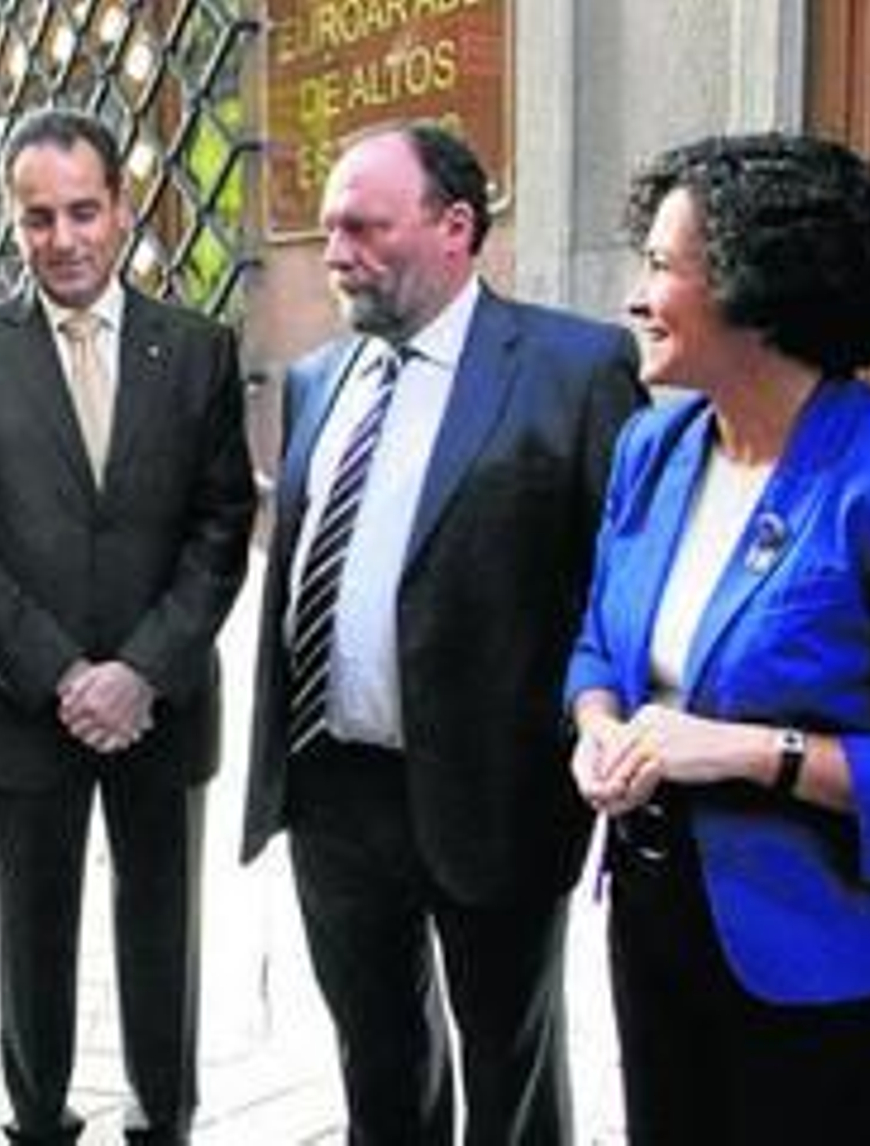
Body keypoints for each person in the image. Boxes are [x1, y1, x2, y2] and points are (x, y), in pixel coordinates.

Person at [242, 121, 644, 1145]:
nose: (335, 252)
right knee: (377, 1061)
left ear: (455, 226)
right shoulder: (316, 378)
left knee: (508, 1073)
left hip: (493, 799)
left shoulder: (573, 367)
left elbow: (619, 589)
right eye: (328, 229)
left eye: (364, 227)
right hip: (332, 788)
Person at [564, 132, 870, 1145]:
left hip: (824, 961)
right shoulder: (651, 446)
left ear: (759, 293)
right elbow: (595, 644)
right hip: (656, 922)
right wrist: (598, 726)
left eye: (661, 267)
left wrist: (751, 752)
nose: (634, 294)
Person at [0, 108, 255, 1145]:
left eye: (84, 211)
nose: (63, 238)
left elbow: (222, 525)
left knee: (161, 936)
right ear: (11, 221)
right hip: (24, 709)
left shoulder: (201, 350)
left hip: (161, 709)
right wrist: (64, 677)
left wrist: (142, 673)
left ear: (122, 209)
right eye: (39, 217)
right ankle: (37, 1120)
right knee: (31, 940)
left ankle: (162, 1118)